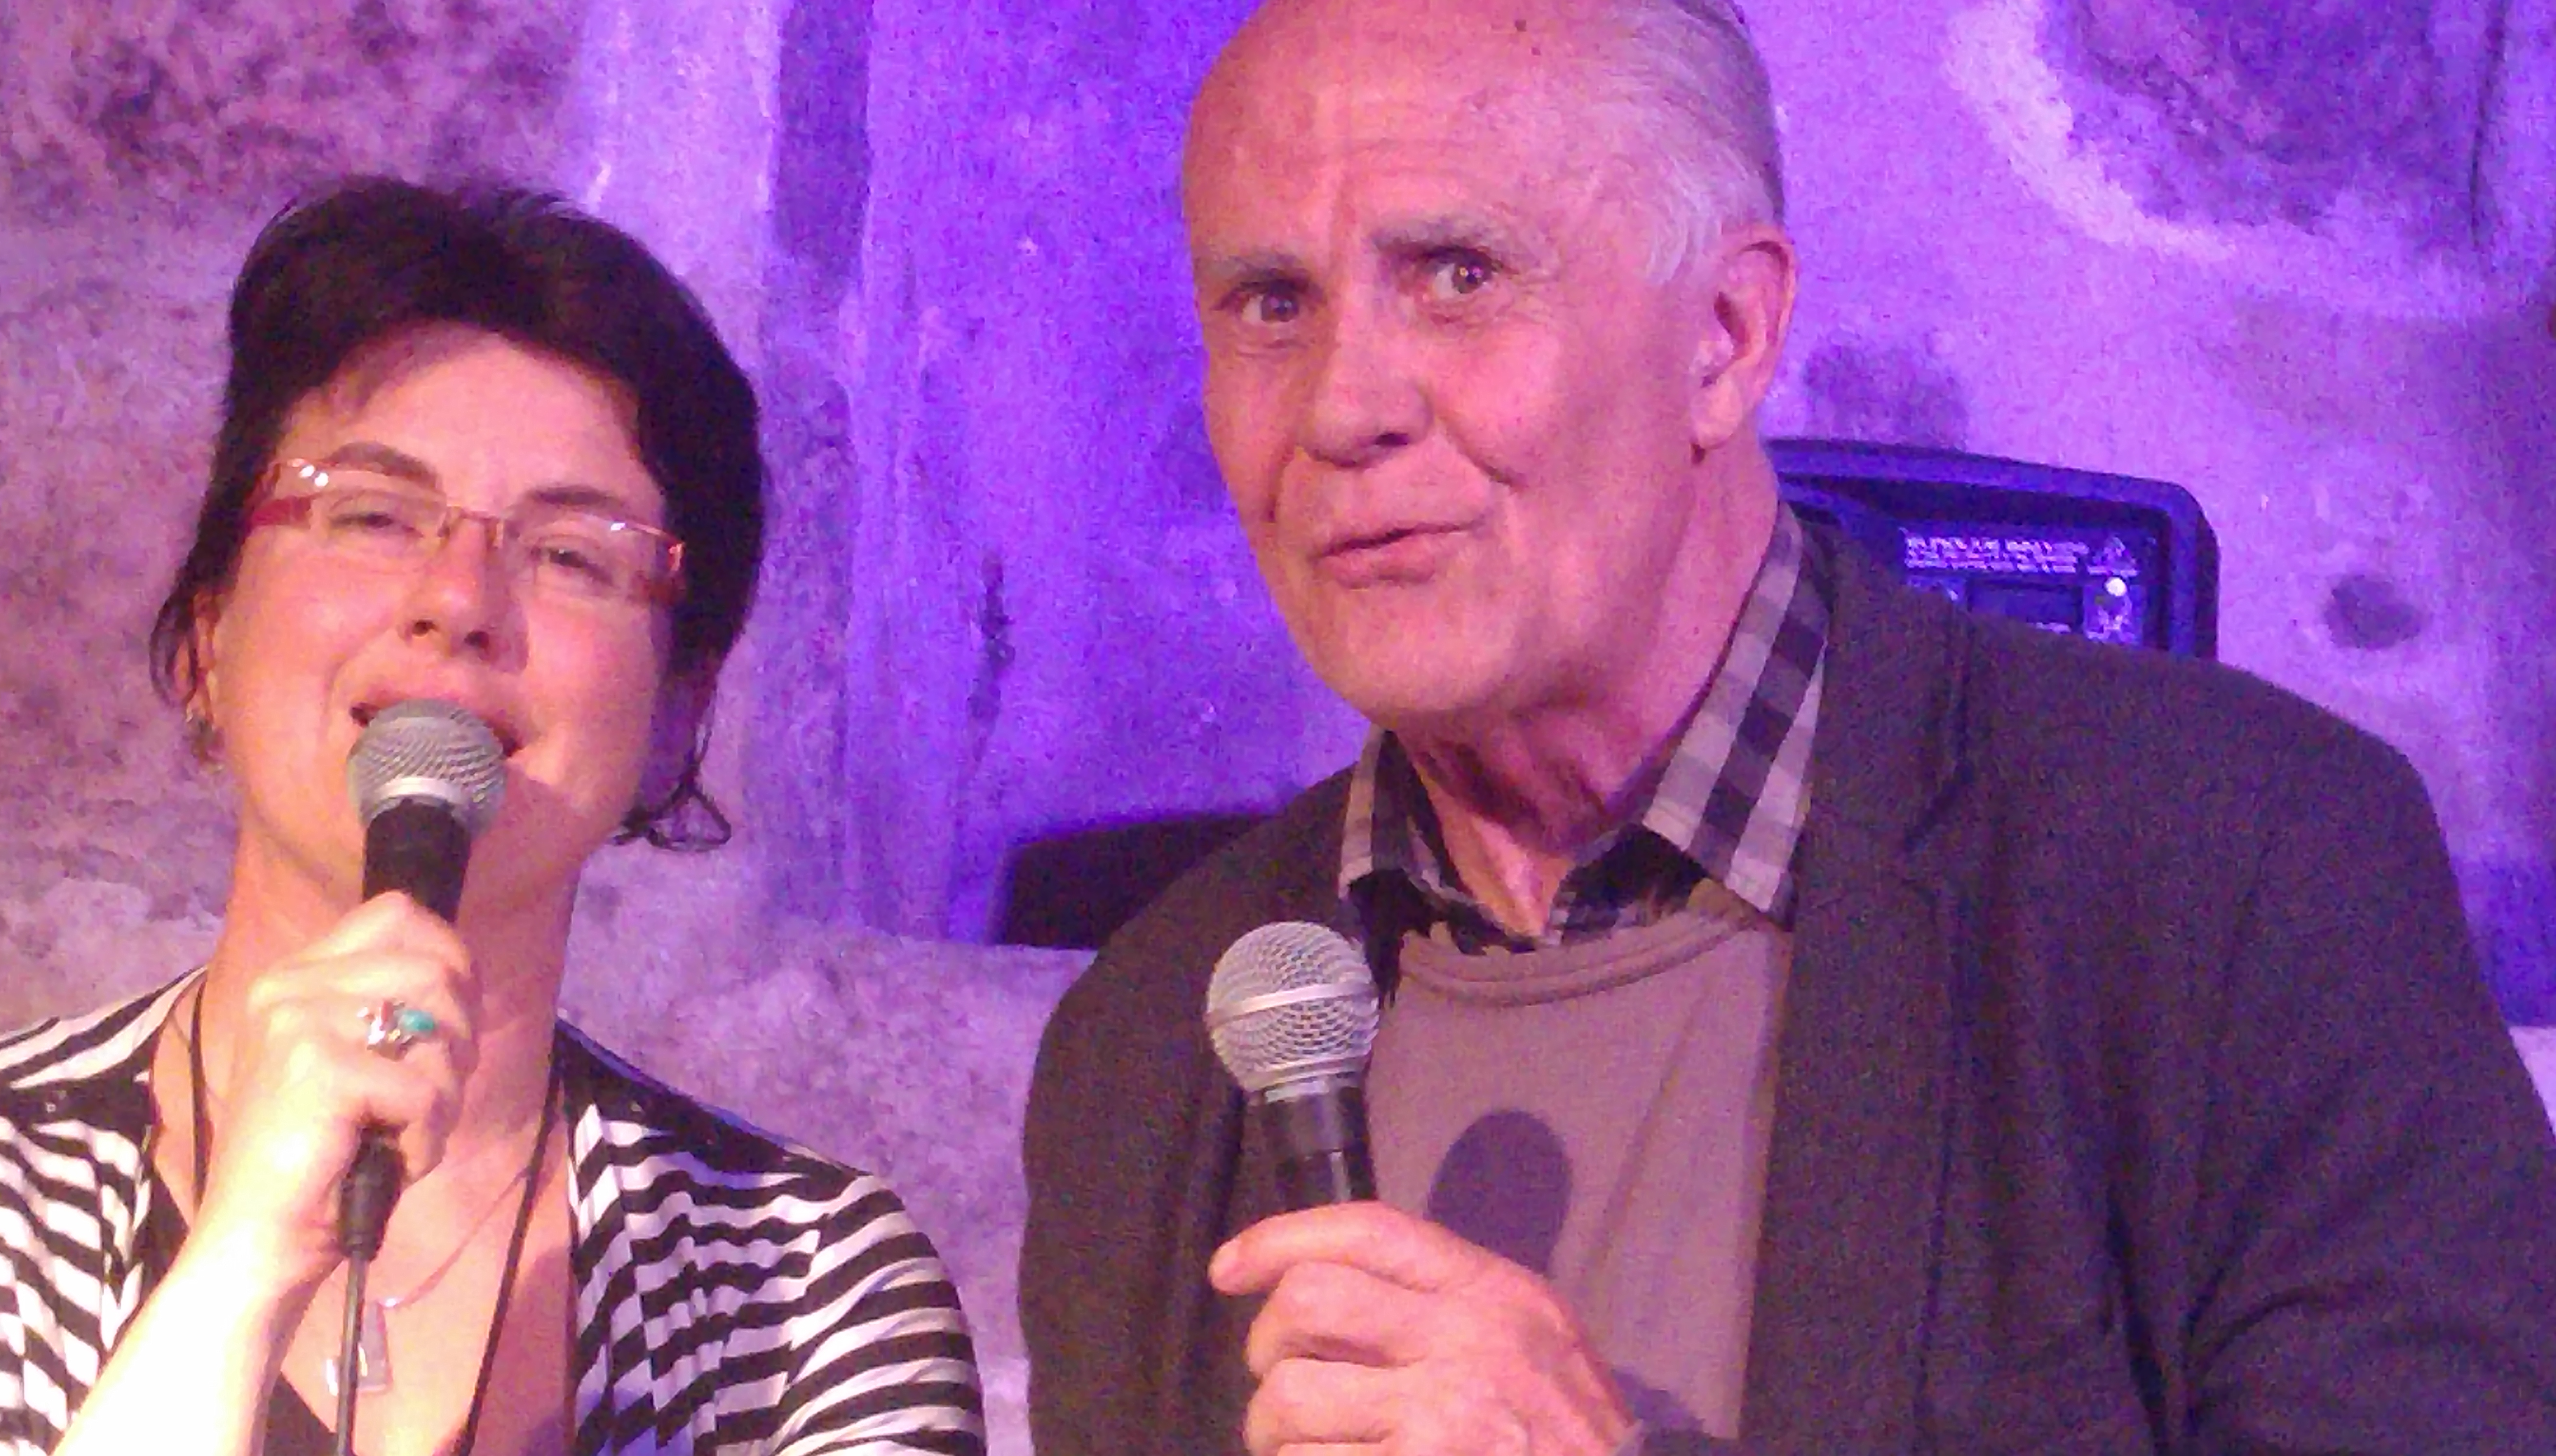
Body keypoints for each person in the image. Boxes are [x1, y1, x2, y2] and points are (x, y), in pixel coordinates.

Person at [1017, 1, 2556, 1452]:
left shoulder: (2238, 878)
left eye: (1459, 274)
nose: (1342, 407)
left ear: (1729, 334)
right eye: (1270, 303)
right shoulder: (1148, 1046)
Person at [0, 178, 984, 1456]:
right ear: (209, 628)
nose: (457, 600)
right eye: (372, 514)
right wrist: (242, 1259)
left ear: (678, 709)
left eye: (569, 553)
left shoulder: (803, 1288)